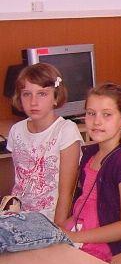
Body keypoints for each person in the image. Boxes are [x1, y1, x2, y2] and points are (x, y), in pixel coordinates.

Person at [64, 83, 121, 264]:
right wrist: (59, 232)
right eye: (91, 113)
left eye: (107, 115)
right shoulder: (90, 153)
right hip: (80, 238)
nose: (97, 121)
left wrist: (75, 237)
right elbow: (83, 205)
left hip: (106, 251)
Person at [7, 63, 82, 225]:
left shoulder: (66, 130)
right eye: (27, 94)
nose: (33, 102)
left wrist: (57, 230)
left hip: (49, 219)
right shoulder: (16, 130)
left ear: (55, 98)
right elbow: (19, 182)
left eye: (42, 94)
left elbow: (66, 193)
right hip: (17, 216)